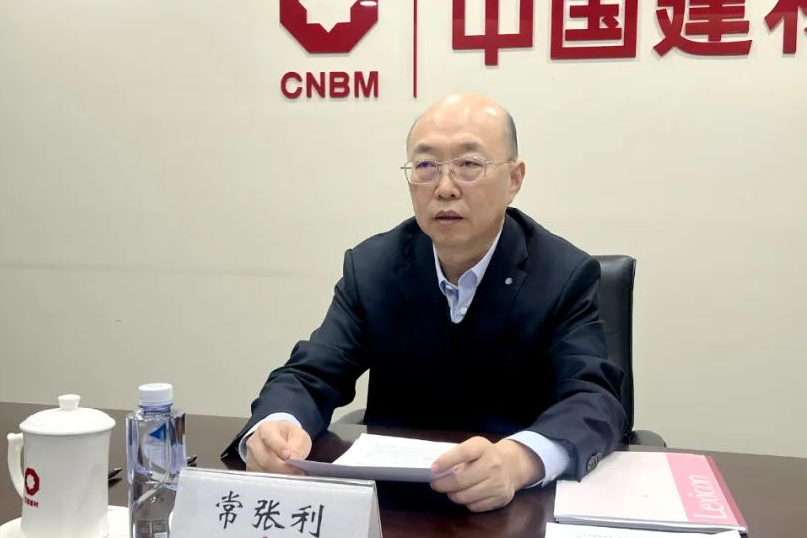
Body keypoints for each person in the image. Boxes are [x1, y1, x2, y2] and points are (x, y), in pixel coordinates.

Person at [226, 93, 627, 512]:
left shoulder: (562, 274)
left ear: (514, 179)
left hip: (511, 507)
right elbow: (311, 374)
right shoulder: (373, 268)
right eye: (425, 166)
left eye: (469, 165)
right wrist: (277, 425)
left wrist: (519, 461)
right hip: (395, 510)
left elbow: (594, 398)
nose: (445, 188)